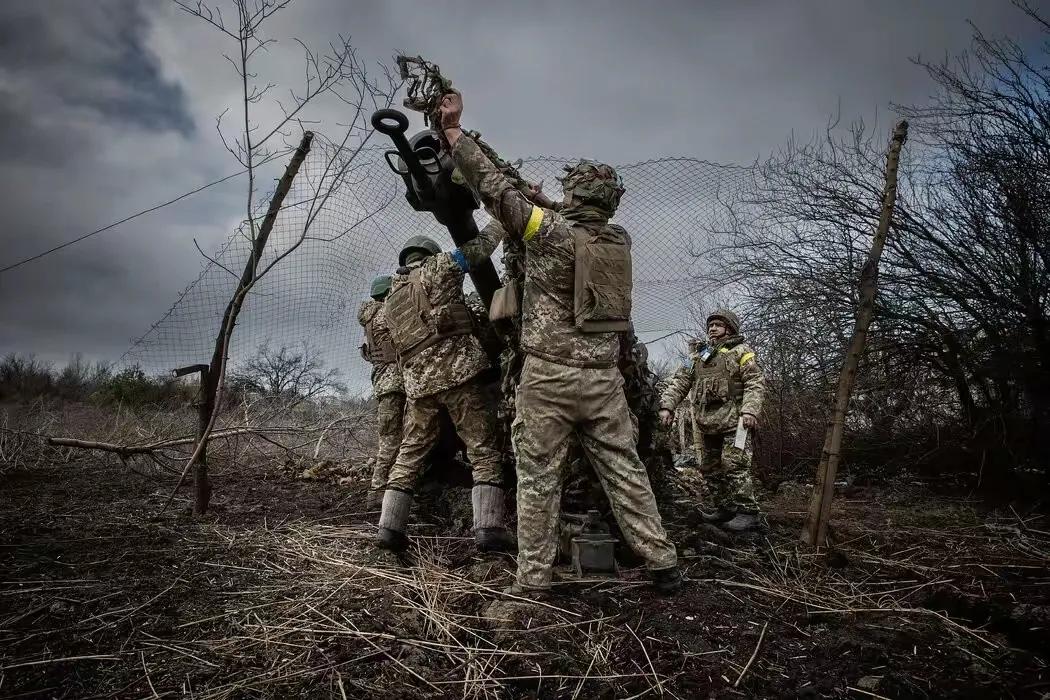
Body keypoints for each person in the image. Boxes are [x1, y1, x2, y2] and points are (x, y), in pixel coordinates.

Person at [438, 90, 682, 595]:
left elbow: (492, 188)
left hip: (548, 378)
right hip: (603, 379)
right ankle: (663, 563)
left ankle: (533, 580)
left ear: (574, 198)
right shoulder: (618, 239)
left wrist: (455, 131)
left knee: (537, 478)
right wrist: (550, 203)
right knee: (625, 470)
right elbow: (571, 223)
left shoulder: (545, 233)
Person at [376, 226, 514, 553]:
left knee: (409, 453)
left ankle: (389, 528)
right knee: (483, 448)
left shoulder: (390, 297)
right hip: (458, 376)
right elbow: (477, 250)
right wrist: (500, 218)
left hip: (418, 387)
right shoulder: (437, 268)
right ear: (429, 254)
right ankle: (489, 529)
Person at [659, 310, 766, 532]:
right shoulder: (699, 357)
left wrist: (750, 411)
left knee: (734, 465)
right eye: (711, 325)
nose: (712, 329)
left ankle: (748, 513)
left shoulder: (741, 352)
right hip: (707, 424)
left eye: (718, 325)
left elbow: (755, 381)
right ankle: (725, 508)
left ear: (730, 329)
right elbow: (680, 382)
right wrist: (667, 406)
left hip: (736, 423)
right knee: (709, 468)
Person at [358, 275, 405, 510]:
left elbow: (366, 355)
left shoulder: (368, 322)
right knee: (393, 441)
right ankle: (378, 492)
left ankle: (379, 491)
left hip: (382, 385)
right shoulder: (387, 314)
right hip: (397, 384)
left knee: (389, 439)